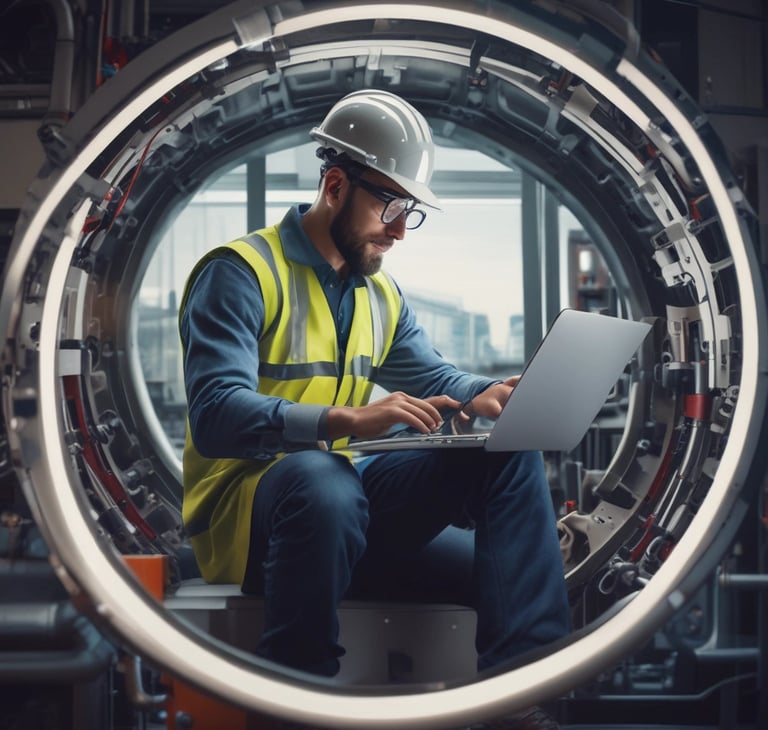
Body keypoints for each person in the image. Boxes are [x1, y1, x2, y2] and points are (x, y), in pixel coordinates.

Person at [179, 89, 570, 729]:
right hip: (251, 518)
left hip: (343, 508)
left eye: (408, 212)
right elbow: (217, 414)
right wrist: (347, 420)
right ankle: (297, 704)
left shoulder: (379, 293)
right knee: (322, 477)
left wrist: (487, 393)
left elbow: (434, 372)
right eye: (390, 205)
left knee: (504, 460)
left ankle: (520, 697)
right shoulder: (241, 272)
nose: (397, 230)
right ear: (335, 185)